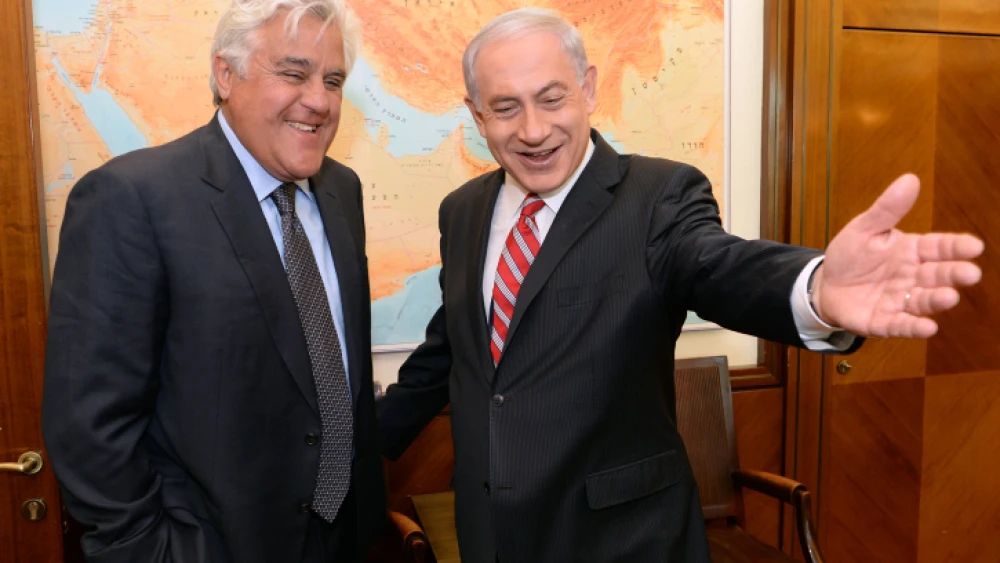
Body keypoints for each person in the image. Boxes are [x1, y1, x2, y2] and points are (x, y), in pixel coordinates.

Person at [376, 7, 985, 563]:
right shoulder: (463, 210)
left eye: (552, 98)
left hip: (623, 541)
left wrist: (816, 290)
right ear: (476, 114)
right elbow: (455, 346)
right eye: (505, 108)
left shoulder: (659, 197)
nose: (533, 130)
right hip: (490, 538)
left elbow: (715, 265)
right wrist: (359, 443)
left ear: (588, 88)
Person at [42, 1, 384, 561]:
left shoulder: (341, 190)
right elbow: (90, 429)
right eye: (294, 74)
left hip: (343, 536)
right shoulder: (132, 199)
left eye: (333, 80)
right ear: (227, 74)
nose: (319, 101)